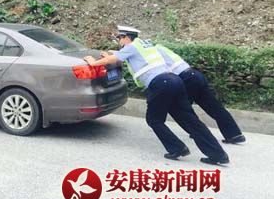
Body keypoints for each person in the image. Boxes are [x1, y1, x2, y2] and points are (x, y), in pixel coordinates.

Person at [84, 25, 229, 165]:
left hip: (161, 84)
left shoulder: (132, 47)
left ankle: (177, 148)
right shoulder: (145, 45)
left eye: (119, 38)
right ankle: (218, 155)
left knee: (154, 119)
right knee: (190, 120)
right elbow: (124, 56)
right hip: (175, 80)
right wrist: (111, 54)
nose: (119, 42)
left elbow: (114, 59)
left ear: (126, 38)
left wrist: (93, 63)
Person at [155, 43, 245, 144]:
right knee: (214, 107)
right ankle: (234, 134)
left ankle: (198, 132)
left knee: (181, 110)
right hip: (195, 75)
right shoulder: (160, 48)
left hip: (185, 78)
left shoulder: (152, 53)